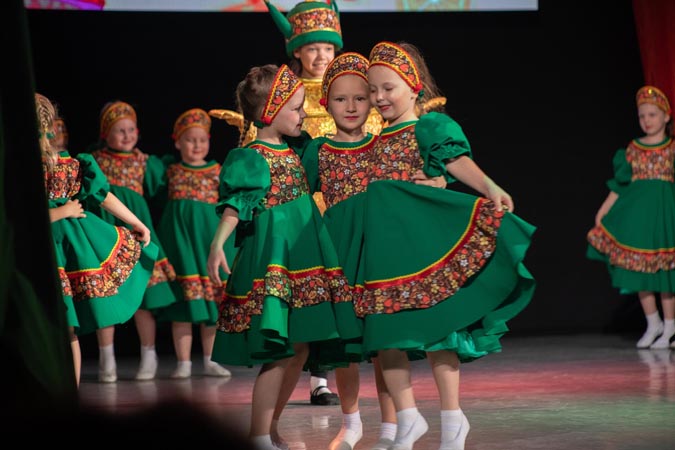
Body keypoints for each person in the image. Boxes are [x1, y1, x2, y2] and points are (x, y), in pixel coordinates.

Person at [358, 41, 536, 450]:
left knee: (440, 333)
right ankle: (408, 418)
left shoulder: (428, 127)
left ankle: (453, 420)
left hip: (424, 245)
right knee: (385, 334)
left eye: (388, 88)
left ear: (413, 87)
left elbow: (456, 162)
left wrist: (489, 186)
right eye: (374, 90)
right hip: (386, 251)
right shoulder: (374, 138)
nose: (380, 97)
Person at [206, 63, 347, 450]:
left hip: (306, 253)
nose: (304, 115)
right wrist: (218, 244)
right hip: (275, 257)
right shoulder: (251, 157)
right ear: (270, 112)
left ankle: (271, 428)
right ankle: (258, 435)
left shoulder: (299, 149)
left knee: (300, 349)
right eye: (297, 108)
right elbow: (236, 205)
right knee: (281, 352)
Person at [300, 51, 403, 450]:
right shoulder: (319, 150)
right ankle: (351, 423)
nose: (351, 106)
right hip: (339, 256)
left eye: (360, 97)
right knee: (345, 346)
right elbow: (300, 201)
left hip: (377, 255)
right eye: (341, 98)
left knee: (382, 344)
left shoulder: (382, 145)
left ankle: (392, 427)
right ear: (325, 102)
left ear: (372, 101)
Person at [36, 92, 157, 386]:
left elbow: (100, 194)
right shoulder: (18, 168)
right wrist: (63, 211)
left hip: (61, 250)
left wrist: (135, 222)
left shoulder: (65, 165)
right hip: (36, 249)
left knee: (66, 326)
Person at [87, 100, 178, 381]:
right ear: (106, 134)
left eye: (131, 130)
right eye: (120, 130)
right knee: (105, 297)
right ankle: (107, 359)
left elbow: (161, 194)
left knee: (143, 299)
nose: (127, 135)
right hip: (107, 235)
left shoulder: (145, 162)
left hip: (137, 234)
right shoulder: (95, 161)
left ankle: (149, 355)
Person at [587, 85, 675, 350]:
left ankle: (670, 326)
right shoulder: (633, 150)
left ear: (666, 116)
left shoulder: (672, 148)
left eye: (652, 115)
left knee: (665, 274)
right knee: (639, 271)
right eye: (642, 116)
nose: (647, 120)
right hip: (638, 218)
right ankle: (653, 323)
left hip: (664, 217)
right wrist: (604, 209)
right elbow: (620, 185)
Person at [155, 108, 235, 378]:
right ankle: (184, 362)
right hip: (181, 246)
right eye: (190, 140)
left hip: (206, 244)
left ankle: (211, 359)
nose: (197, 145)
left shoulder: (217, 171)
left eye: (202, 140)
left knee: (211, 305)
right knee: (184, 306)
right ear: (178, 142)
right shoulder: (171, 171)